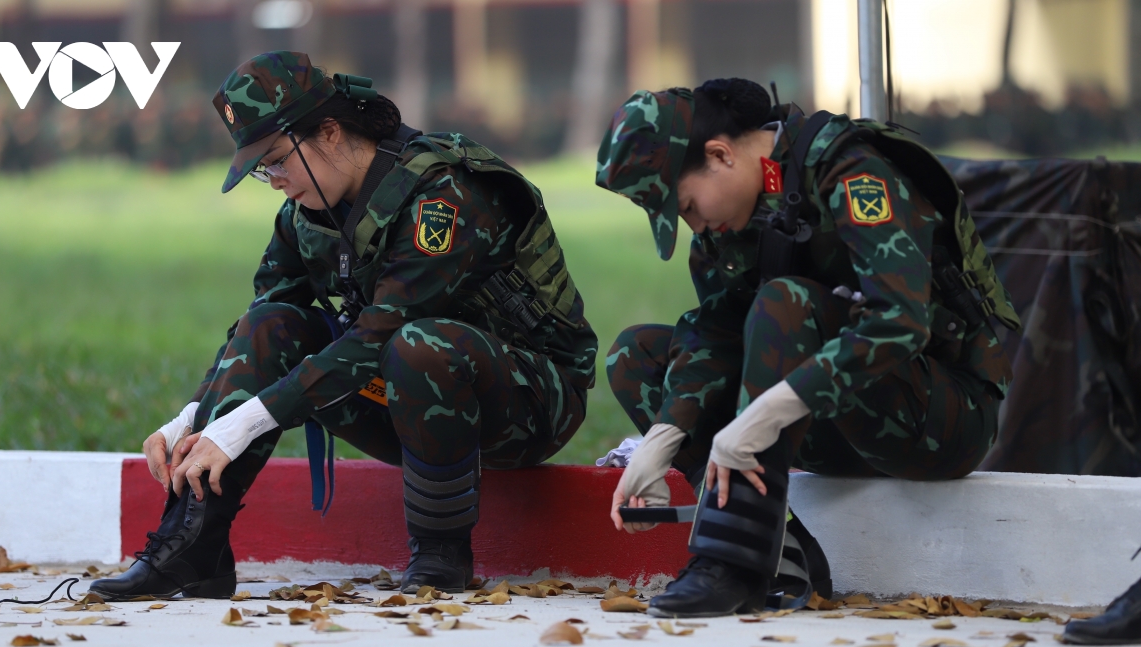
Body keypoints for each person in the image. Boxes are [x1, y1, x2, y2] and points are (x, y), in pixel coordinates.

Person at [91, 52, 597, 600]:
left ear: (329, 132)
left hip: (527, 401)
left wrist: (239, 426)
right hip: (403, 397)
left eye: (277, 160)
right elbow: (262, 325)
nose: (274, 181)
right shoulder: (308, 212)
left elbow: (379, 335)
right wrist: (192, 417)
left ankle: (440, 553)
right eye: (262, 168)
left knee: (418, 344)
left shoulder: (443, 196)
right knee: (274, 325)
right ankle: (193, 547)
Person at [596, 79, 1020, 618]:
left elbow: (901, 321)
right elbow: (717, 337)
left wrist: (770, 409)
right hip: (830, 423)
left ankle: (736, 563)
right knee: (640, 354)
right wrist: (667, 434)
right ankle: (783, 551)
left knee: (783, 304)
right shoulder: (730, 224)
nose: (694, 225)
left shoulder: (851, 172)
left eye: (687, 206)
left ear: (720, 154)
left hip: (936, 416)